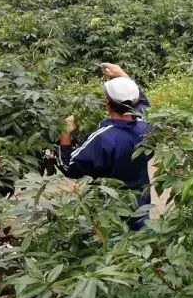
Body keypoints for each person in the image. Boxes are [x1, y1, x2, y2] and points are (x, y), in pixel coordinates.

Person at [58, 63, 152, 229]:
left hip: (111, 211)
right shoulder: (147, 126)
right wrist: (122, 75)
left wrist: (65, 132)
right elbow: (142, 104)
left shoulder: (103, 138)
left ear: (106, 102)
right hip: (141, 205)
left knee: (114, 248)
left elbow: (68, 166)